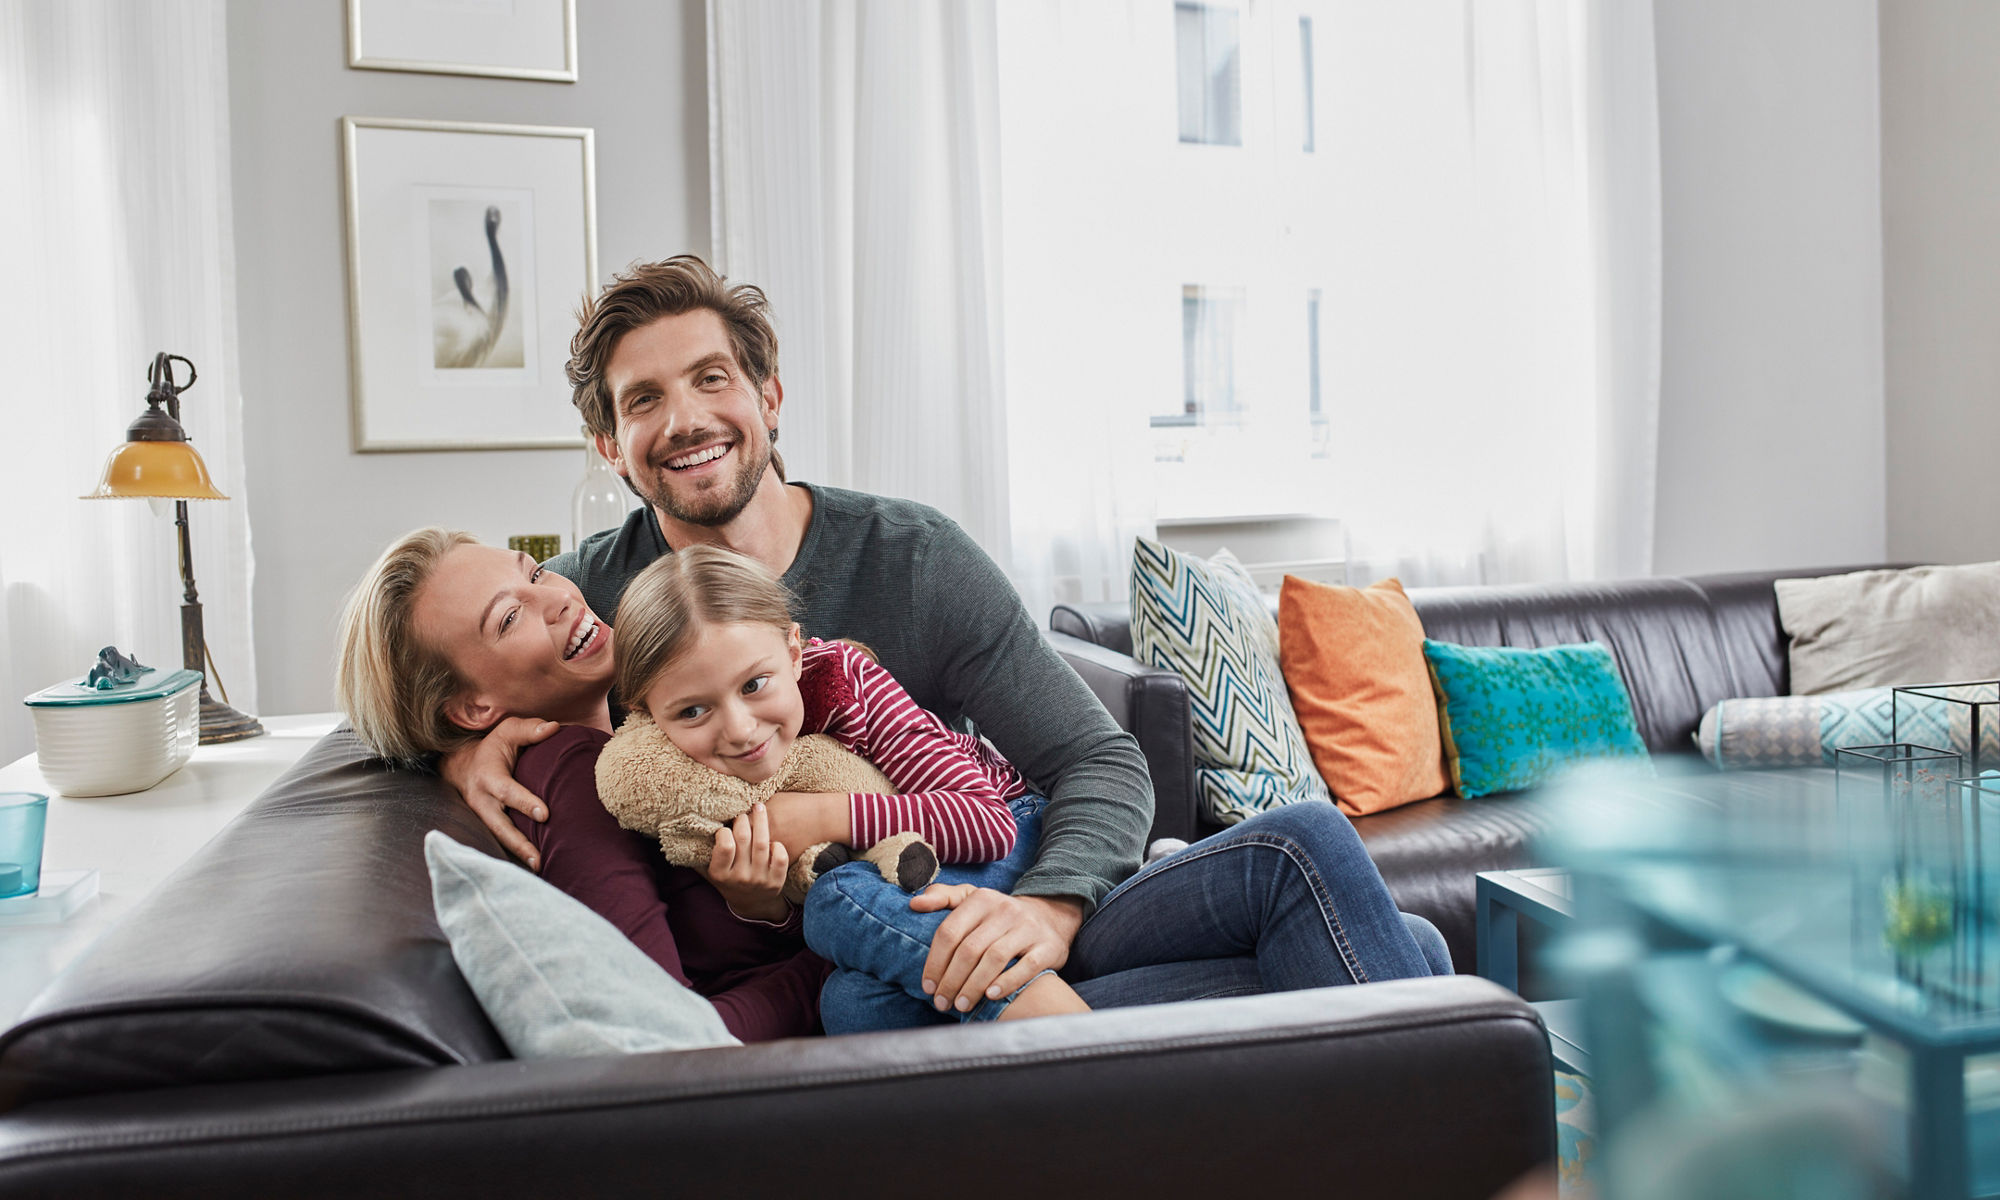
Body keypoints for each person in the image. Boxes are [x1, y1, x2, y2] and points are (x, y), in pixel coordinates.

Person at [437, 254, 1451, 1023]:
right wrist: (460, 747)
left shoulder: (911, 556)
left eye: (712, 379)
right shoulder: (589, 600)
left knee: (1334, 879)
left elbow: (1095, 758)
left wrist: (1048, 910)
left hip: (1014, 887)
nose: (686, 418)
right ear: (610, 444)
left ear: (768, 399)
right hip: (889, 957)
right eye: (643, 400)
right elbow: (434, 671)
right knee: (1397, 950)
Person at [608, 542, 1091, 1024]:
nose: (738, 729)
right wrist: (758, 903)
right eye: (693, 711)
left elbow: (988, 823)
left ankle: (1076, 1039)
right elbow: (831, 922)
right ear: (646, 716)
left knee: (838, 899)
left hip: (1010, 824)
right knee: (849, 1006)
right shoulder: (675, 779)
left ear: (793, 653)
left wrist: (821, 815)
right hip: (896, 883)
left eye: (754, 684)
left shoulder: (848, 684)